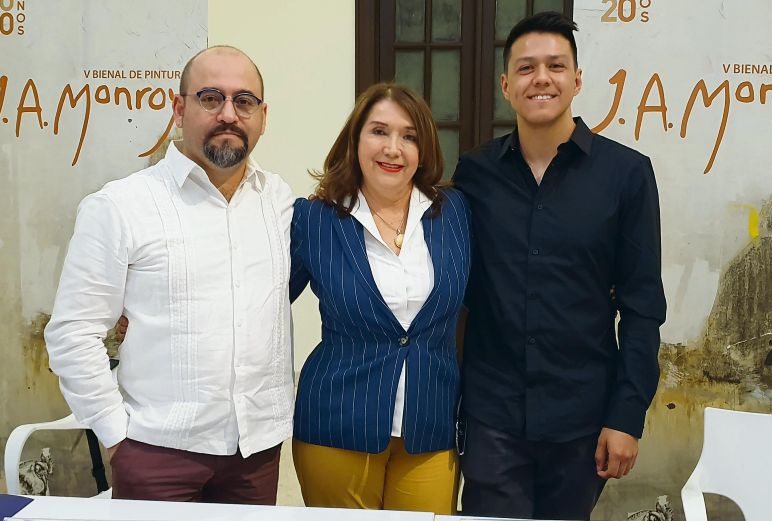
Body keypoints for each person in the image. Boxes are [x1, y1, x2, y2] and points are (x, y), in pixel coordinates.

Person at [44, 45, 295, 503]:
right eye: (210, 97)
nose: (228, 114)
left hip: (255, 453)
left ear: (261, 115)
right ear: (179, 108)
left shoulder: (277, 200)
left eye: (243, 101)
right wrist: (118, 438)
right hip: (156, 452)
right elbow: (72, 333)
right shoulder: (120, 206)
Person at [452, 12, 667, 521]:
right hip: (492, 419)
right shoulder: (475, 174)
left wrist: (627, 416)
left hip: (583, 421)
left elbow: (641, 308)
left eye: (555, 65)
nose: (541, 78)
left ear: (576, 79)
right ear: (506, 85)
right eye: (526, 68)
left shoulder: (627, 174)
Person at [288, 83, 471, 515]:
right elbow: (261, 299)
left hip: (431, 424)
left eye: (409, 136)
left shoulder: (456, 212)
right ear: (354, 141)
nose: (393, 148)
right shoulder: (313, 218)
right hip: (337, 422)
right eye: (379, 131)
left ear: (423, 150)